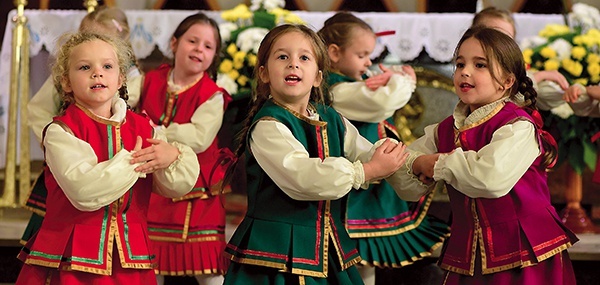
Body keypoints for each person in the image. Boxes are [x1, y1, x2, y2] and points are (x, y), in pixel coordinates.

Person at [222, 23, 410, 285]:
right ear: (264, 74)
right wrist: (366, 171)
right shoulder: (268, 126)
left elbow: (367, 151)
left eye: (304, 58)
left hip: (326, 248)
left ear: (318, 76)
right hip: (275, 255)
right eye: (282, 57)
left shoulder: (331, 119)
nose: (293, 64)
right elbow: (304, 177)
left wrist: (413, 163)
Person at [390, 26, 578, 284]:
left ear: (508, 81)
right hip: (469, 253)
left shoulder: (517, 126)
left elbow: (489, 177)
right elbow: (403, 173)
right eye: (459, 64)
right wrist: (415, 162)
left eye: (480, 65)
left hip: (525, 254)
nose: (464, 71)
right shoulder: (445, 130)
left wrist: (432, 164)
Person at [15, 32, 200, 285]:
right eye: (84, 67)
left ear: (120, 78)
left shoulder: (145, 127)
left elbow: (175, 185)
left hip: (129, 259)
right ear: (66, 82)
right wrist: (135, 160)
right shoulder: (61, 131)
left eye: (107, 66)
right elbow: (85, 191)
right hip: (71, 257)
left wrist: (172, 156)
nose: (97, 73)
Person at [318, 12, 450, 285]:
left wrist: (391, 81)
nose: (368, 62)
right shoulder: (335, 90)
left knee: (366, 254)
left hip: (374, 175)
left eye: (370, 55)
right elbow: (382, 102)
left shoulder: (355, 81)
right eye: (362, 54)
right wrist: (403, 81)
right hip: (358, 183)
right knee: (353, 251)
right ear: (333, 53)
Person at [21, 5, 142, 244]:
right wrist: (59, 143)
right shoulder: (70, 76)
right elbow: (38, 109)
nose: (92, 44)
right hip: (73, 161)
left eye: (102, 38)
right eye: (87, 36)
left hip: (116, 167)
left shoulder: (133, 78)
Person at [137, 12, 232, 285]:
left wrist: (156, 130)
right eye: (193, 41)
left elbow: (200, 136)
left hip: (198, 186)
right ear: (175, 43)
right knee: (150, 257)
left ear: (214, 56)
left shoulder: (212, 94)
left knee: (206, 264)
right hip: (155, 178)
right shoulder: (151, 80)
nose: (199, 49)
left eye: (208, 46)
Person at [470, 6, 572, 111]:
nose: (501, 44)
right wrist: (538, 76)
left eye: (508, 39)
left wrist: (571, 91)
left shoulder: (513, 69)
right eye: (494, 36)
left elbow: (546, 96)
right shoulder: (467, 67)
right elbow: (498, 94)